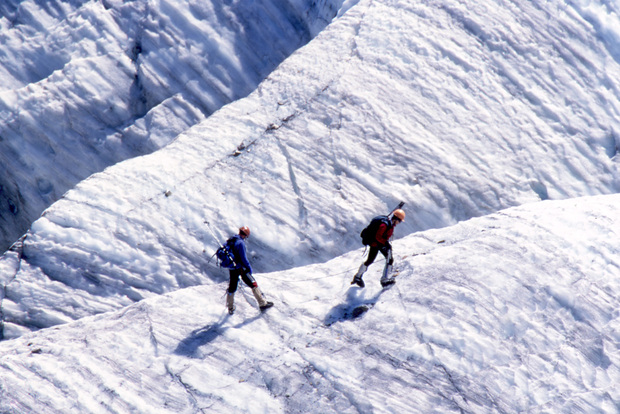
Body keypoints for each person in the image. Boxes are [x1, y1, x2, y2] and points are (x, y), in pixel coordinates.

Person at [351, 209, 405, 288]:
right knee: (389, 259)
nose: (399, 223)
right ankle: (385, 280)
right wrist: (385, 243)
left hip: (375, 243)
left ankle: (358, 277)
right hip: (378, 243)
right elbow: (378, 236)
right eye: (399, 221)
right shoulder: (385, 224)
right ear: (396, 219)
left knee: (370, 260)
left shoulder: (388, 223)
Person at [226, 226, 273, 314]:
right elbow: (244, 258)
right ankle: (262, 304)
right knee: (253, 283)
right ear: (246, 235)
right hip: (240, 268)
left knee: (232, 287)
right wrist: (249, 268)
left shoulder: (231, 240)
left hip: (232, 268)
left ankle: (230, 307)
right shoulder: (240, 243)